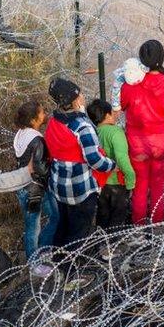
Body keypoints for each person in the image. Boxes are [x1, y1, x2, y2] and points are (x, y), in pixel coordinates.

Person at [45, 78, 115, 248]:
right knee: (78, 233)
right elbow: (95, 160)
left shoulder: (54, 120)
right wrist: (112, 164)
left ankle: (58, 263)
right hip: (80, 190)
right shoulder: (82, 126)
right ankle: (72, 268)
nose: (83, 96)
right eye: (80, 94)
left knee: (63, 226)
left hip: (58, 186)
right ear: (75, 100)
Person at [120, 40, 164, 225]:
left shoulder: (130, 85)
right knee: (159, 187)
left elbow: (122, 105)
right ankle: (158, 227)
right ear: (161, 58)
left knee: (139, 188)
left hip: (137, 144)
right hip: (162, 142)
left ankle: (138, 227)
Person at [12, 101, 58, 265]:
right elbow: (39, 166)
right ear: (33, 119)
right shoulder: (37, 139)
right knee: (50, 219)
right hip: (36, 189)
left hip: (23, 186)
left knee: (32, 225)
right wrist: (53, 174)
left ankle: (39, 253)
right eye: (41, 112)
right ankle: (37, 259)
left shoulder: (20, 135)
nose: (44, 114)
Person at [87, 99, 135, 229]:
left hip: (101, 182)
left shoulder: (94, 132)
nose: (115, 115)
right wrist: (131, 179)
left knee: (103, 215)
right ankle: (113, 245)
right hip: (117, 183)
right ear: (107, 115)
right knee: (117, 216)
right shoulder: (115, 132)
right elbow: (122, 158)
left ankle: (99, 243)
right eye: (112, 112)